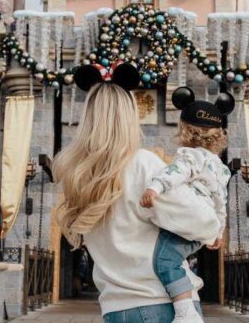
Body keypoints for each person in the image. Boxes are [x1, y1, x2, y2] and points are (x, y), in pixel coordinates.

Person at [53, 63, 222, 323]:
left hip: (115, 309)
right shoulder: (143, 164)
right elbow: (203, 222)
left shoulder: (79, 175)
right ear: (129, 116)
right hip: (161, 305)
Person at [140, 87, 234, 322]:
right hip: (204, 228)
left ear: (186, 131)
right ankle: (187, 291)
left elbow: (176, 172)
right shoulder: (221, 169)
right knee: (177, 259)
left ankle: (185, 311)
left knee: (164, 261)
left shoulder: (191, 156)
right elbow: (221, 201)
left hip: (188, 219)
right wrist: (218, 232)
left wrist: (155, 187)